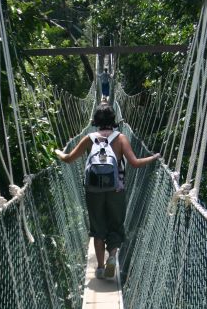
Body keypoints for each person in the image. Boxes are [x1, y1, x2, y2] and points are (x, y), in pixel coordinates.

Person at [54, 103, 160, 279]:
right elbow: (134, 162)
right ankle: (112, 257)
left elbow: (68, 159)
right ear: (114, 120)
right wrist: (154, 157)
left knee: (98, 228)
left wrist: (58, 152)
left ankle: (101, 268)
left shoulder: (89, 138)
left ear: (95, 120)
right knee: (115, 225)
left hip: (93, 190)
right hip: (116, 190)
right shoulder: (121, 138)